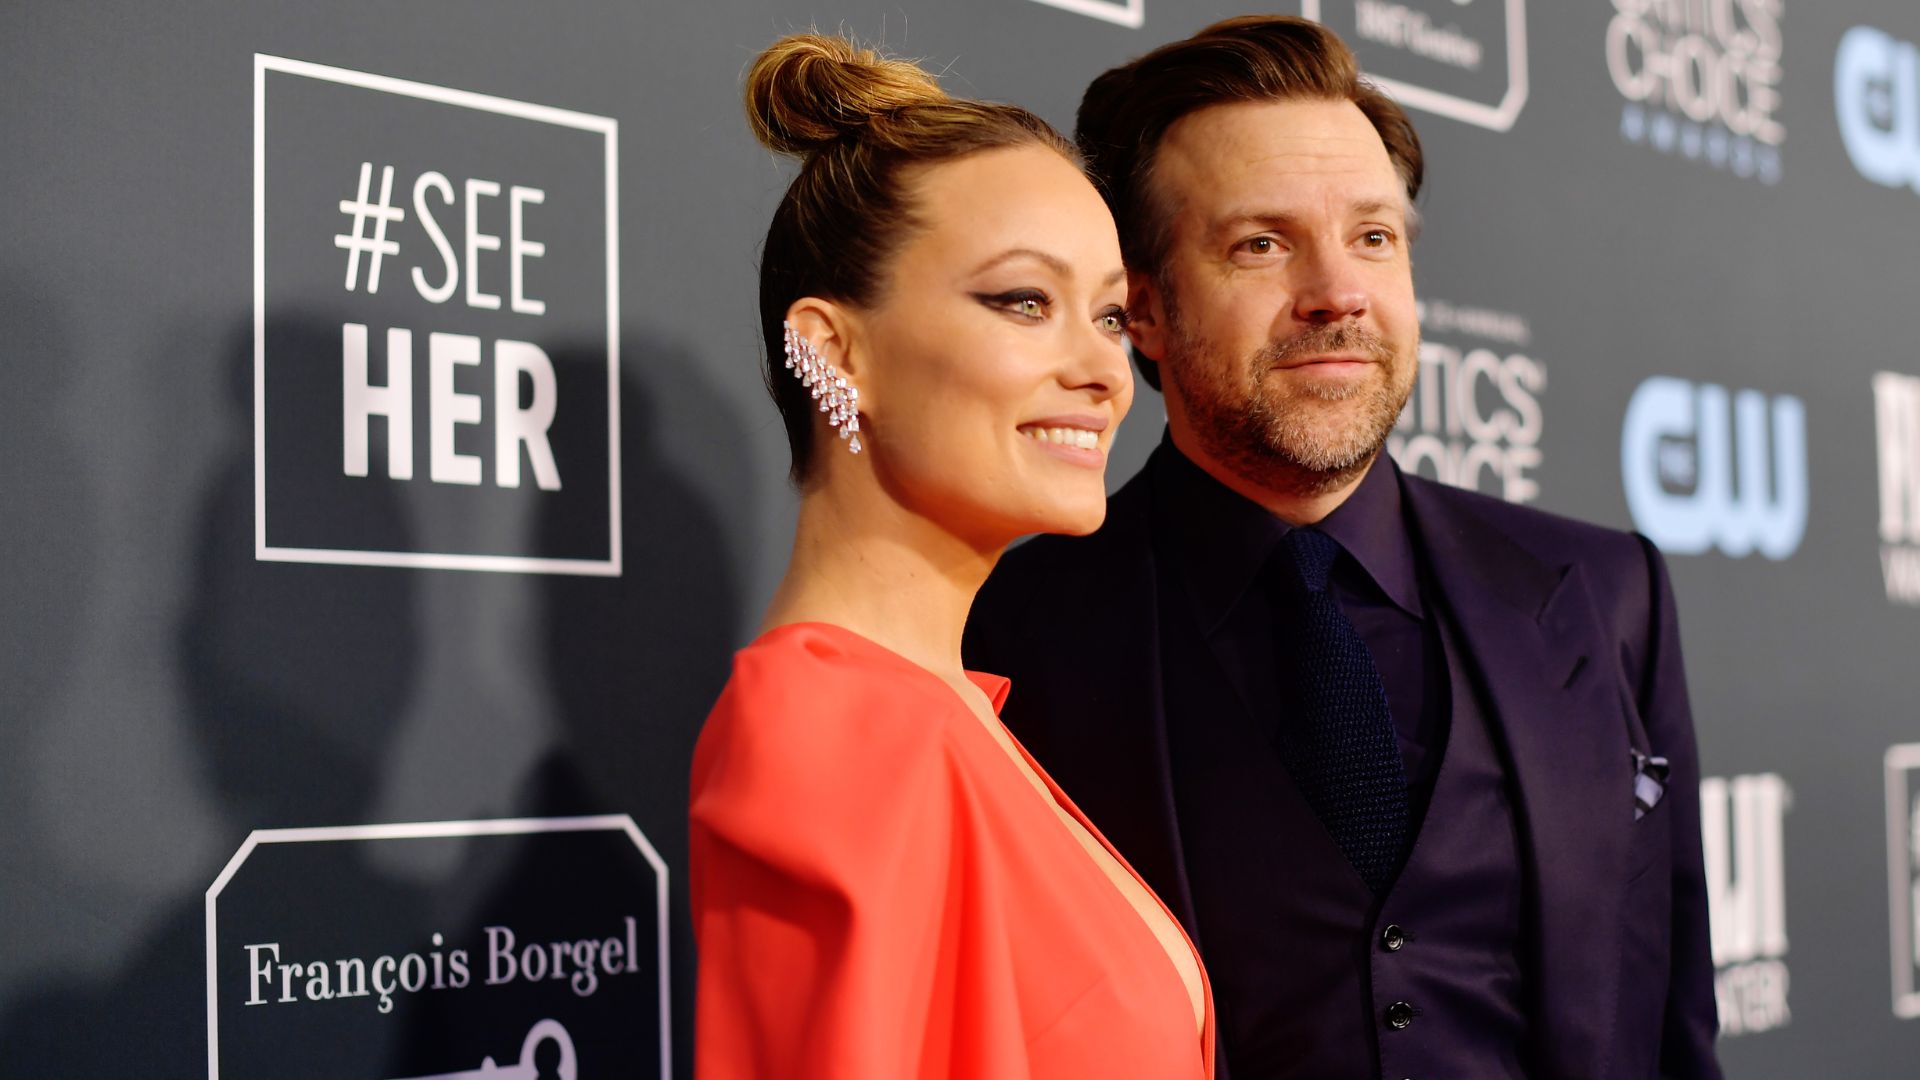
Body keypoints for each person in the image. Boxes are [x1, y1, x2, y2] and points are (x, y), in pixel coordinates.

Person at [965, 16, 1720, 1080]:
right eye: (1261, 244)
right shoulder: (1010, 632)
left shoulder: (1606, 592)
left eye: (1374, 237)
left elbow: (1677, 1027)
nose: (1339, 292)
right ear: (1142, 308)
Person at [688, 33, 1214, 1080]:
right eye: (1024, 301)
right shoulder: (837, 737)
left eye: (1110, 315)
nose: (1105, 371)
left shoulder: (951, 719)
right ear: (836, 351)